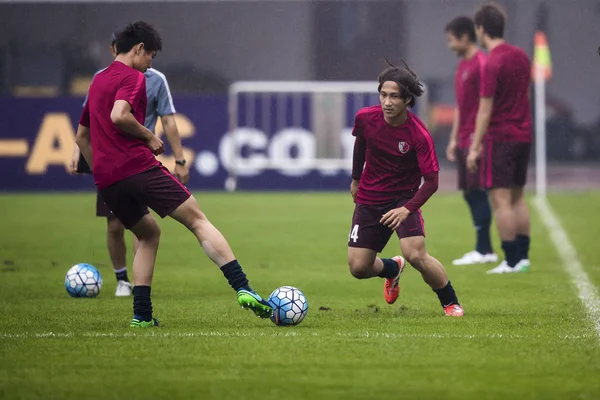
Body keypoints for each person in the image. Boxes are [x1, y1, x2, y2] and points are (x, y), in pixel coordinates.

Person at [75, 21, 272, 327]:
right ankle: (243, 287)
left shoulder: (97, 81)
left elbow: (82, 138)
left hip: (108, 179)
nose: (151, 63)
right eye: (151, 55)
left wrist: (99, 171)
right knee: (197, 219)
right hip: (137, 166)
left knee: (148, 233)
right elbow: (119, 115)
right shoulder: (134, 77)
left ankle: (141, 315)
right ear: (139, 49)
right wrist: (147, 137)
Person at [69, 26, 190, 297]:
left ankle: (138, 285)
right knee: (115, 224)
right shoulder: (102, 78)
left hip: (140, 161)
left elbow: (168, 119)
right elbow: (87, 124)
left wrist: (179, 158)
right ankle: (122, 279)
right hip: (111, 160)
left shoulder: (154, 79)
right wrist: (79, 152)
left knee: (143, 227)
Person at [347, 60, 464, 317]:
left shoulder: (419, 135)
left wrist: (406, 209)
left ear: (408, 99)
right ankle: (391, 269)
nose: (387, 102)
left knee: (415, 254)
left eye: (394, 97)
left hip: (404, 197)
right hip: (370, 196)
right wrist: (356, 180)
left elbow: (432, 182)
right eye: (383, 95)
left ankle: (450, 302)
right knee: (358, 268)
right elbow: (360, 147)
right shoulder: (366, 118)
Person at [467, 3, 532, 274]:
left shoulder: (492, 61)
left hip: (501, 137)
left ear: (481, 29)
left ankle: (511, 261)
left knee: (500, 200)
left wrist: (474, 147)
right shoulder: (521, 56)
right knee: (518, 198)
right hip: (523, 135)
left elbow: (485, 109)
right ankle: (524, 258)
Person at [444, 16, 498, 266]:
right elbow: (460, 106)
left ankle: (484, 249)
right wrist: (454, 139)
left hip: (478, 138)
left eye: (451, 39)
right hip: (464, 137)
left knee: (477, 191)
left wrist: (478, 139)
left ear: (465, 36)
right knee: (469, 192)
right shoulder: (462, 67)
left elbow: (487, 105)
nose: (449, 45)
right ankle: (483, 248)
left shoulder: (481, 64)